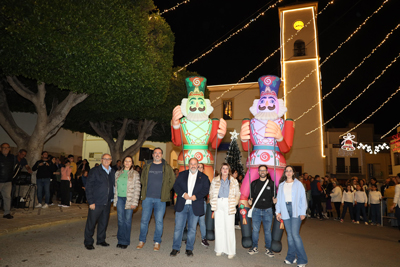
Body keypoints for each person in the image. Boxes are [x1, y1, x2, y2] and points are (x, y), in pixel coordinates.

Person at [137, 148, 175, 251]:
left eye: (159, 153)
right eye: (155, 153)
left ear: (162, 155)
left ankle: (157, 241)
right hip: (147, 198)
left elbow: (172, 180)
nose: (157, 155)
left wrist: (166, 190)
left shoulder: (167, 167)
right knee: (144, 221)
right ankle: (141, 240)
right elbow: (142, 179)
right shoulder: (147, 166)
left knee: (159, 221)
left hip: (160, 199)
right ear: (153, 155)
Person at [170, 158, 210, 257]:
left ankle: (189, 249)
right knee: (178, 228)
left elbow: (206, 190)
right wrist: (183, 194)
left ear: (197, 165)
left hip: (195, 206)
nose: (193, 166)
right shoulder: (182, 174)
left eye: (195, 164)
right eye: (191, 164)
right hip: (182, 205)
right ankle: (175, 248)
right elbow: (176, 186)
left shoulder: (204, 177)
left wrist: (197, 196)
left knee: (192, 229)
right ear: (188, 165)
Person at [276, 165, 308, 266]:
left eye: (290, 171)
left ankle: (302, 259)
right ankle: (291, 257)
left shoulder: (298, 184)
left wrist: (303, 212)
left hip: (296, 211)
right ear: (285, 173)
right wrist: (278, 212)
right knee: (289, 236)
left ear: (293, 173)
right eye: (287, 171)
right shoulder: (281, 185)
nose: (288, 172)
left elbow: (303, 198)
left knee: (295, 235)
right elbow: (279, 199)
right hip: (285, 210)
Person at [83, 153, 115, 250]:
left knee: (103, 222)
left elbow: (113, 186)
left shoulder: (112, 171)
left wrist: (113, 198)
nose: (106, 160)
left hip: (107, 202)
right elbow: (88, 187)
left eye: (108, 159)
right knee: (91, 223)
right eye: (104, 159)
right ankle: (88, 242)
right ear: (101, 160)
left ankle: (101, 240)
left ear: (111, 161)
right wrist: (91, 201)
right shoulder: (95, 171)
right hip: (96, 202)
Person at [209, 163, 240, 259]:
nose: (225, 170)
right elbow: (211, 192)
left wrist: (234, 203)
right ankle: (219, 249)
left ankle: (230, 251)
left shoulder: (234, 181)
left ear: (229, 170)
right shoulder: (215, 180)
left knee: (229, 227)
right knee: (218, 227)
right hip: (218, 203)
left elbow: (237, 193)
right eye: (223, 168)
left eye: (227, 168)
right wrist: (212, 201)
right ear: (221, 169)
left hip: (229, 203)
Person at [247, 165, 276, 258]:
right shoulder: (254, 183)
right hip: (256, 210)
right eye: (260, 170)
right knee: (255, 230)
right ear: (258, 172)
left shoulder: (272, 184)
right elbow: (250, 196)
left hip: (268, 210)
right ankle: (254, 247)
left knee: (267, 231)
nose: (262, 172)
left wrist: (275, 200)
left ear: (267, 172)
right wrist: (249, 200)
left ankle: (268, 249)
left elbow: (275, 196)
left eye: (264, 170)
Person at [114, 156, 141, 249]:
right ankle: (120, 240)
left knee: (127, 221)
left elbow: (137, 189)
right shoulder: (117, 173)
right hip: (119, 199)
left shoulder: (135, 173)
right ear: (123, 162)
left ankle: (125, 241)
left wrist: (135, 202)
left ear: (132, 163)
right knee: (120, 220)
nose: (127, 162)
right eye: (126, 161)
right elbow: (115, 187)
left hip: (129, 199)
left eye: (129, 161)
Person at [0, 143, 15, 219]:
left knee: (7, 197)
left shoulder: (12, 157)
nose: (5, 149)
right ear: (0, 149)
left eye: (7, 148)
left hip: (8, 181)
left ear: (9, 149)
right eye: (4, 148)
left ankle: (7, 213)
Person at [197, 163, 209, 247]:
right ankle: (190, 238)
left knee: (202, 221)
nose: (200, 168)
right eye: (198, 167)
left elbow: (207, 190)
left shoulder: (205, 178)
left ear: (203, 169)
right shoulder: (191, 177)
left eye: (201, 167)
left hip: (202, 201)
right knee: (192, 221)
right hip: (192, 202)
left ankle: (204, 238)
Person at [390, 174, 400, 242]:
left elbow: (396, 195)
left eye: (397, 178)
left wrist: (393, 205)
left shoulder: (398, 186)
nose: (396, 179)